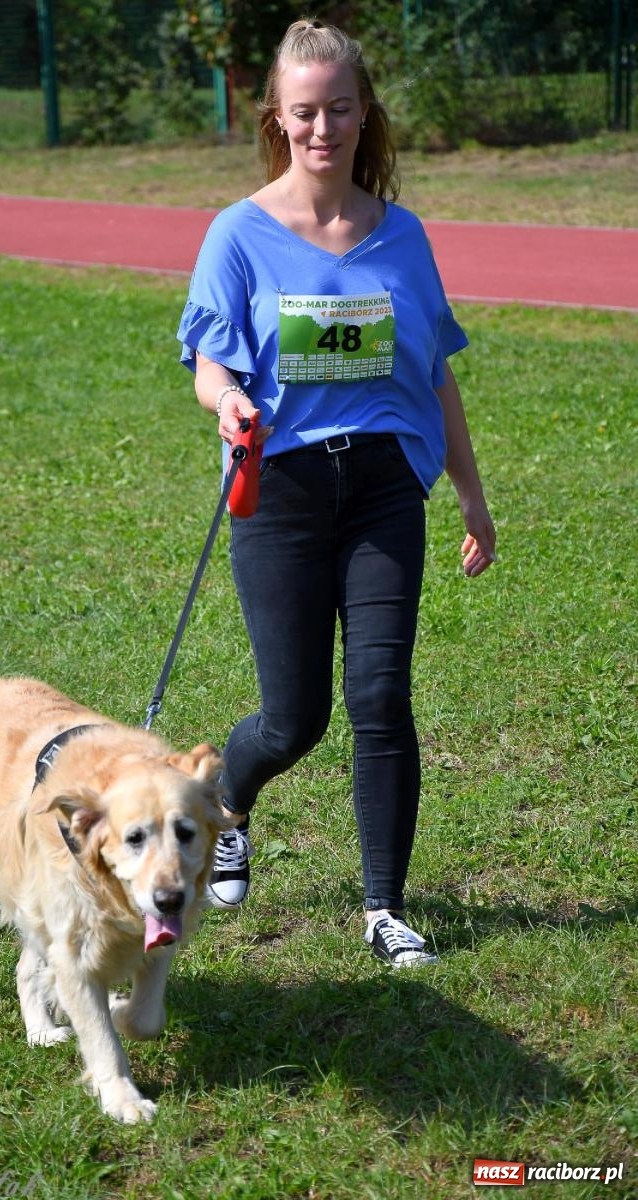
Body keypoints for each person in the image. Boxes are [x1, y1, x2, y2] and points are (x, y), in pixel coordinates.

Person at [176, 18, 496, 967]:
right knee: (294, 717)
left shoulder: (402, 236)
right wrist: (230, 396)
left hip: (387, 486)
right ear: (278, 116)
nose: (324, 129)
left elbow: (436, 372)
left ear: (365, 113)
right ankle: (227, 804)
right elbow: (207, 362)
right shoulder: (237, 234)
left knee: (381, 695)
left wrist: (472, 494)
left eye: (341, 110)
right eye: (306, 111)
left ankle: (383, 907)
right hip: (281, 489)